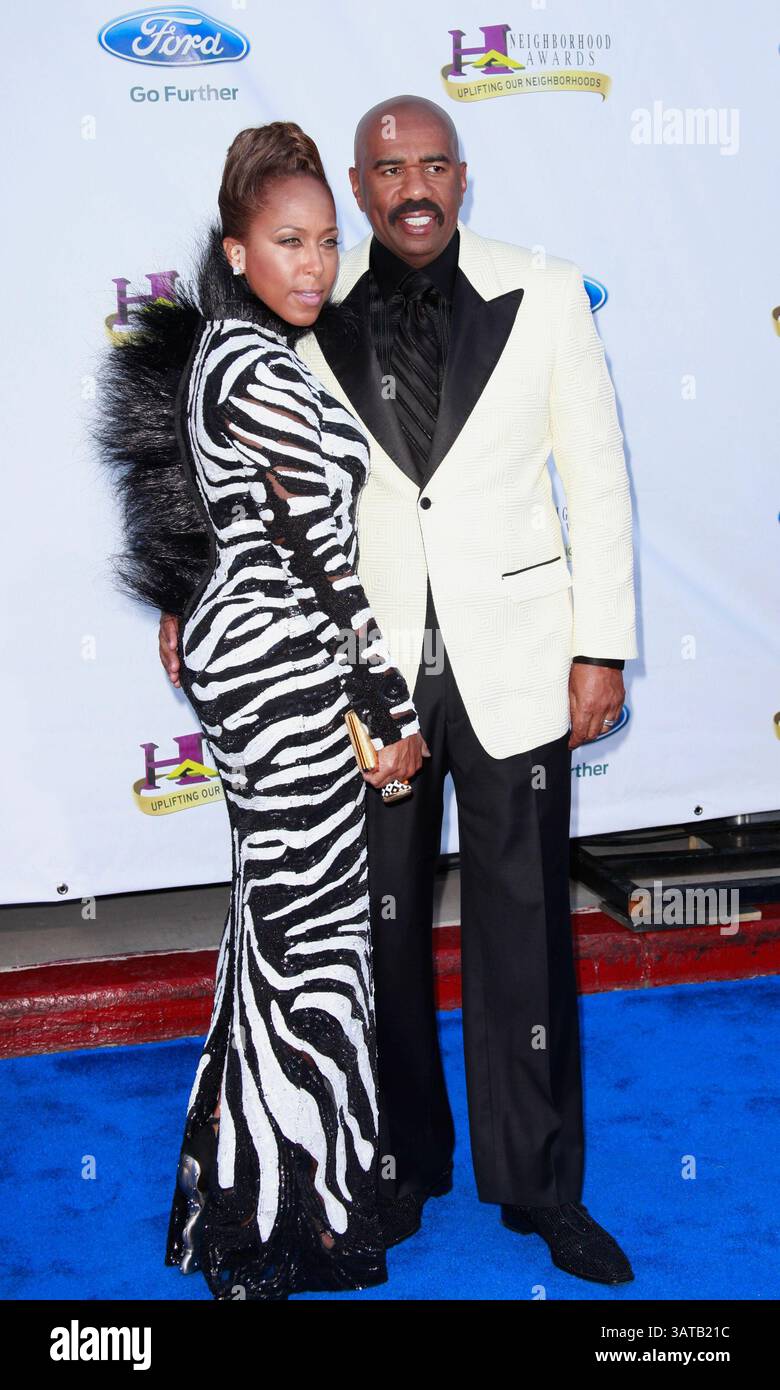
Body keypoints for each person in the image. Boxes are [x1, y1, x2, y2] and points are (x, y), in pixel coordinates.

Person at [160, 95, 639, 1287]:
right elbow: (216, 472)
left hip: (521, 660)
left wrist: (604, 645)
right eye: (386, 167)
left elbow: (598, 475)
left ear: (462, 177)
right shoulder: (302, 319)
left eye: (432, 162)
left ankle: (541, 1188)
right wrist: (179, 586)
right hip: (361, 687)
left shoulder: (547, 292)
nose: (411, 183)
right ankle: (397, 1162)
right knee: (373, 937)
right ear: (362, 191)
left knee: (524, 927)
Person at [96, 121, 426, 1300]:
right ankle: (260, 1228)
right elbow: (320, 555)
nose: (315, 265)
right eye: (288, 242)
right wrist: (382, 697)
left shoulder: (258, 358)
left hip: (271, 657)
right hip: (289, 671)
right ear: (236, 251)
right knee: (304, 947)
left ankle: (298, 1211)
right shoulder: (249, 366)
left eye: (328, 243)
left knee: (289, 943)